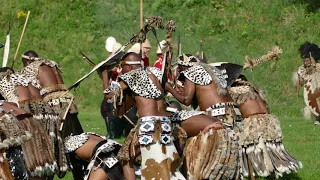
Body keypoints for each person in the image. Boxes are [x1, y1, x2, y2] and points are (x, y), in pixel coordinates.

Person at [18, 50, 131, 180]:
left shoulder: (30, 69)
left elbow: (34, 96)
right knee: (77, 140)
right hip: (68, 104)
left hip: (55, 107)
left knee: (60, 146)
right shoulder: (50, 64)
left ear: (27, 61)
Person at [102, 52, 185, 179]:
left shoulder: (132, 75)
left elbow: (109, 96)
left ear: (129, 67)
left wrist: (104, 74)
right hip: (165, 123)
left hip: (148, 125)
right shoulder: (156, 73)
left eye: (122, 66)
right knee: (166, 161)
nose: (121, 70)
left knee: (125, 158)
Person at [165, 53, 241, 179]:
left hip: (217, 115)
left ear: (182, 67)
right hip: (233, 115)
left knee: (178, 124)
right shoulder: (211, 72)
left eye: (178, 68)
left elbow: (186, 100)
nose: (178, 72)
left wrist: (169, 88)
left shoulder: (191, 72)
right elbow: (201, 96)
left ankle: (175, 168)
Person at [229, 74, 302, 178]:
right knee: (271, 149)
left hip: (254, 121)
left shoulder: (235, 91)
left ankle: (253, 172)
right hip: (269, 120)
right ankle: (274, 169)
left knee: (250, 149)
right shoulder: (255, 90)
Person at [296, 42, 320, 125]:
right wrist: (300, 82)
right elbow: (302, 81)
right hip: (312, 89)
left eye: (307, 58)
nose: (306, 60)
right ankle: (318, 118)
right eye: (304, 58)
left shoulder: (318, 66)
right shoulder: (302, 69)